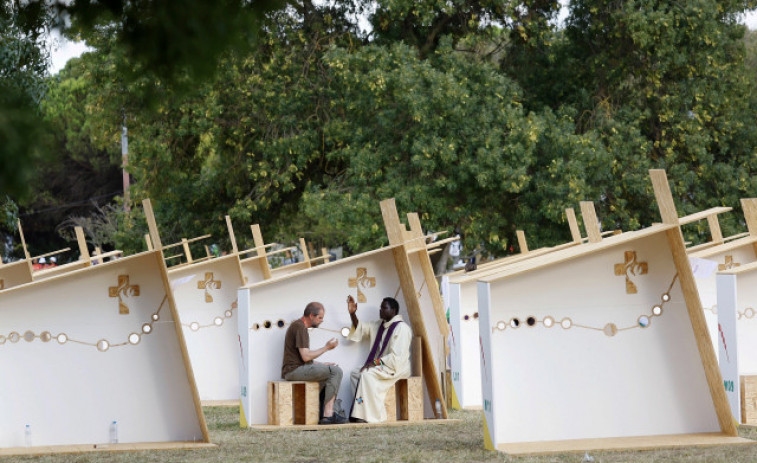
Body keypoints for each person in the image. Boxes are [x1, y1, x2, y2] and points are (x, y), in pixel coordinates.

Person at [347, 295, 412, 423]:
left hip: (396, 367)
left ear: (393, 310)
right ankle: (360, 410)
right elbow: (361, 327)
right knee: (356, 374)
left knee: (367, 375)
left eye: (384, 308)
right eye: (380, 307)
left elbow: (396, 357)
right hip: (382, 364)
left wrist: (374, 363)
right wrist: (353, 314)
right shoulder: (379, 325)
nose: (380, 310)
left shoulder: (402, 328)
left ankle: (369, 416)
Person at [281, 302, 346, 425]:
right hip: (293, 371)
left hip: (294, 369)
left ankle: (322, 412)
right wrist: (326, 347)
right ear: (311, 316)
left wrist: (321, 364)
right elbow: (305, 357)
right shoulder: (300, 327)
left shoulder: (298, 326)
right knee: (336, 371)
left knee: (331, 369)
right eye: (320, 317)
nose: (321, 321)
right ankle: (328, 415)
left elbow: (302, 357)